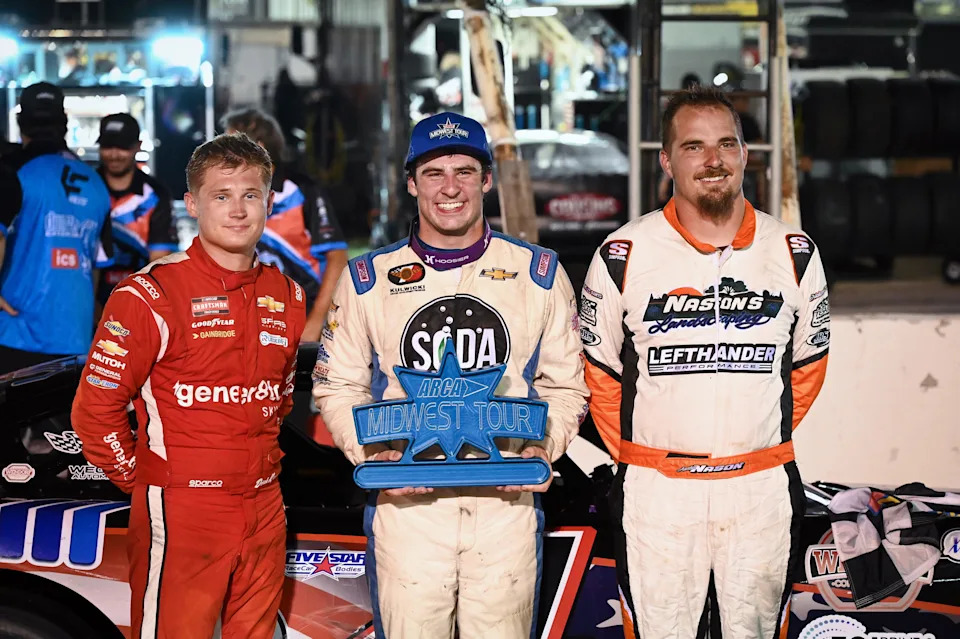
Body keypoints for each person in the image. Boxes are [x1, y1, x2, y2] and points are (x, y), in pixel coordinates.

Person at [313, 111, 589, 638]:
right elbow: (338, 383)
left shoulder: (538, 273)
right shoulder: (368, 277)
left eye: (464, 172)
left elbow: (566, 385)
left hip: (505, 502)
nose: (450, 188)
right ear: (411, 183)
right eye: (434, 173)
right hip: (407, 504)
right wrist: (370, 453)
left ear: (486, 180)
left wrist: (545, 444)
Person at [581, 87, 830, 639]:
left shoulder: (794, 251)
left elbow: (808, 368)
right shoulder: (622, 253)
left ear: (745, 154)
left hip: (760, 487)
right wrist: (643, 459)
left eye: (726, 144)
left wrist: (753, 444)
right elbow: (598, 373)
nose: (713, 160)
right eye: (693, 146)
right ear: (667, 161)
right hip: (658, 491)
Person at [71, 133, 305, 639]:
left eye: (250, 195)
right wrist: (147, 481)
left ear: (269, 202)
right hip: (183, 507)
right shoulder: (149, 293)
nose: (238, 211)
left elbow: (280, 399)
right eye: (221, 196)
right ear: (193, 204)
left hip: (266, 503)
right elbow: (95, 411)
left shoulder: (287, 294)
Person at [0, 82, 112, 375]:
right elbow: (96, 263)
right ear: (64, 124)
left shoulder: (11, 170)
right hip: (76, 337)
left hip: (15, 332)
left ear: (21, 123)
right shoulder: (95, 182)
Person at [221, 108, 348, 341]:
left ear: (259, 146)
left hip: (303, 320)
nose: (221, 154)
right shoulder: (225, 195)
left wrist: (315, 323)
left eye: (230, 145)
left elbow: (337, 259)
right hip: (248, 324)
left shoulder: (302, 191)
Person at [96, 113, 178, 305]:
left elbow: (159, 264)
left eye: (122, 147)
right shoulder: (87, 189)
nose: (114, 154)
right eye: (107, 146)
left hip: (138, 300)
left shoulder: (156, 195)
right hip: (87, 300)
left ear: (138, 146)